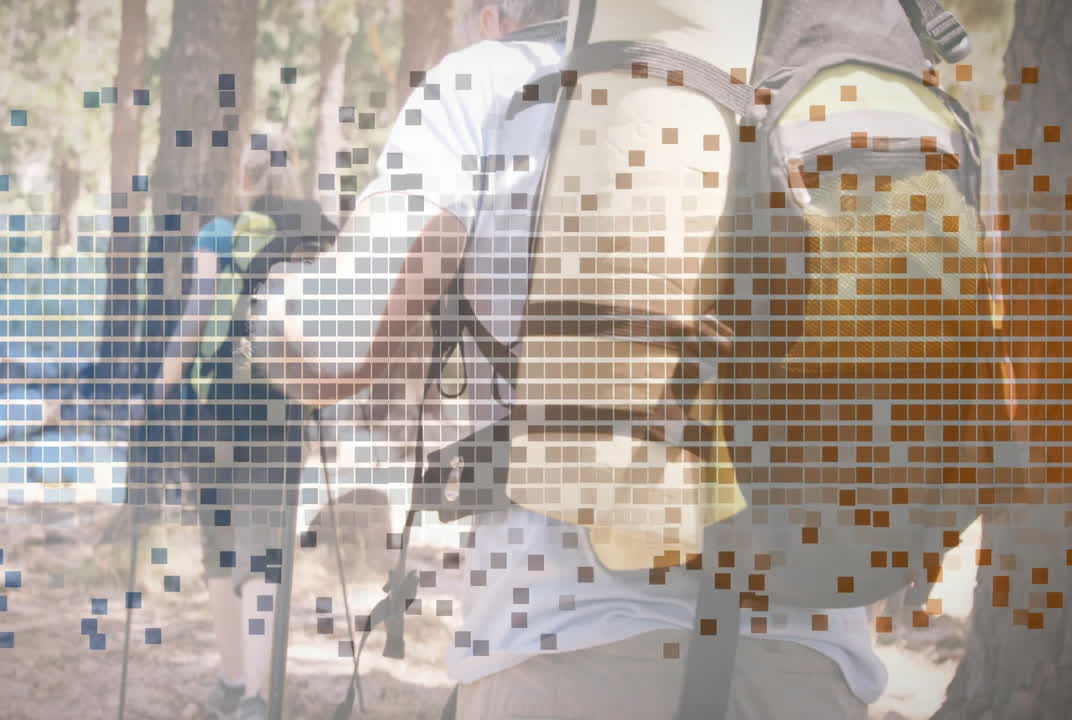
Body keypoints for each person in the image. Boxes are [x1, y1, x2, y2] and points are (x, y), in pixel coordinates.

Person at [244, 0, 972, 717]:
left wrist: (273, 302)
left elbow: (330, 342)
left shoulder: (489, 82)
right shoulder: (838, 94)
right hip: (809, 662)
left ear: (501, 13)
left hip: (564, 655)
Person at [135, 131, 335, 720]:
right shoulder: (319, 237)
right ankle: (256, 697)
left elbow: (198, 314)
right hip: (284, 406)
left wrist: (158, 387)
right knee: (268, 556)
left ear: (242, 179)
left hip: (216, 407)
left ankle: (229, 681)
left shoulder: (221, 235)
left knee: (222, 552)